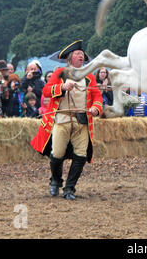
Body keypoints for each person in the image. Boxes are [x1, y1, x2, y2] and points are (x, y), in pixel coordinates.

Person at [30, 40, 103, 201]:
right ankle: (56, 180)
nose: (81, 56)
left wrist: (96, 108)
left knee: (81, 154)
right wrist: (62, 87)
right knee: (57, 153)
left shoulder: (89, 76)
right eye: (77, 54)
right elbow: (47, 91)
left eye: (82, 55)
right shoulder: (59, 73)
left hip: (82, 121)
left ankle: (70, 188)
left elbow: (97, 96)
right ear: (70, 58)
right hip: (61, 120)